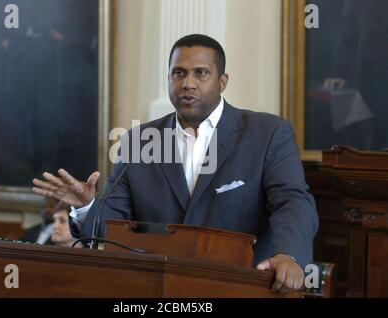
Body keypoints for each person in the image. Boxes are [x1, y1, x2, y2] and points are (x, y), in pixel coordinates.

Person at [32, 34, 318, 293]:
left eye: (201, 73)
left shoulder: (267, 133)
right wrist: (86, 206)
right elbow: (114, 230)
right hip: (156, 291)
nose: (187, 83)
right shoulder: (138, 142)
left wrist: (287, 255)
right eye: (178, 73)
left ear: (222, 82)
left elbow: (292, 202)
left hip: (239, 286)